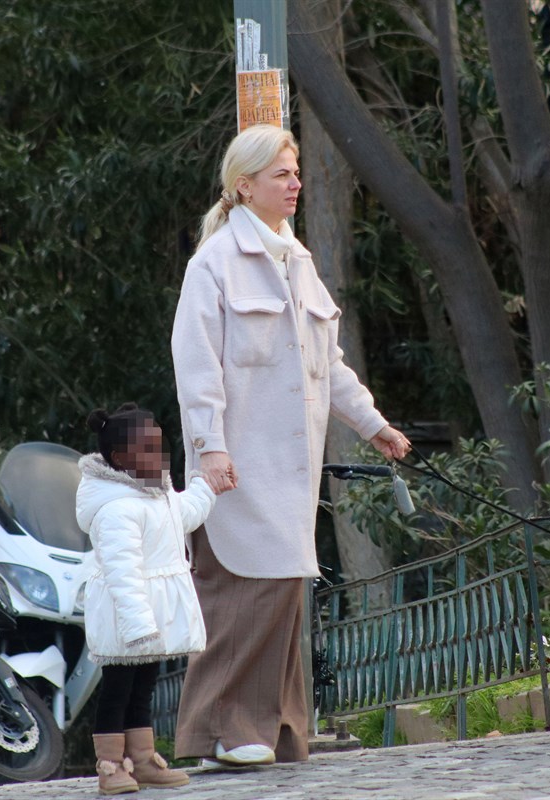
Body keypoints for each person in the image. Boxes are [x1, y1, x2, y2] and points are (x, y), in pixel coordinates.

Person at [171, 123, 411, 766]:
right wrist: (210, 448)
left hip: (290, 472)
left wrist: (374, 425)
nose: (296, 183)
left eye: (297, 172)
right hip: (235, 469)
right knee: (243, 597)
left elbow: (328, 364)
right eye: (282, 174)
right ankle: (221, 734)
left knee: (280, 598)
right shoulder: (213, 264)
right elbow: (195, 368)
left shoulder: (296, 260)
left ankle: (274, 732)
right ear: (244, 186)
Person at [75, 403, 222, 794]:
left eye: (160, 446)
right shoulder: (116, 509)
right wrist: (138, 625)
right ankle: (110, 765)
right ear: (121, 458)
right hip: (127, 617)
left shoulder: (157, 494)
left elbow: (184, 515)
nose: (159, 456)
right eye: (148, 449)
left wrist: (207, 487)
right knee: (117, 692)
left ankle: (142, 760)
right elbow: (122, 573)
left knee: (143, 689)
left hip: (150, 615)